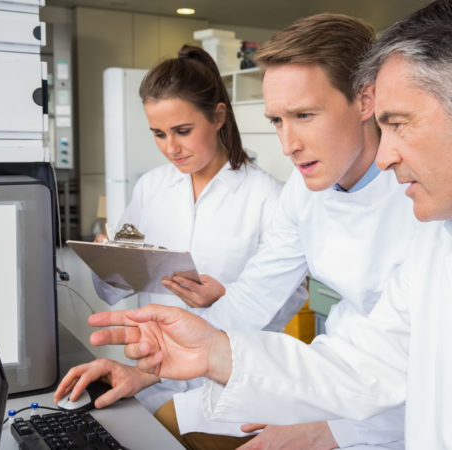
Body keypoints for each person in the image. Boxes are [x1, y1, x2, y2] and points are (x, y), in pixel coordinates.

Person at [85, 0, 452, 448]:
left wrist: (332, 431)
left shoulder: (435, 212)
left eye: (398, 123)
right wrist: (204, 352)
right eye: (277, 120)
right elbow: (368, 359)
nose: (386, 152)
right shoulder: (451, 234)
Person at [55, 14, 421, 450]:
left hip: (396, 409)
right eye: (277, 122)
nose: (288, 145)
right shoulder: (303, 196)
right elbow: (251, 299)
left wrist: (339, 432)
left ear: (366, 101)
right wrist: (151, 368)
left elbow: (411, 364)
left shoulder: (421, 200)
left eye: (304, 115)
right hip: (335, 380)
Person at [87, 45, 301, 415]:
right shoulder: (151, 188)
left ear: (218, 117)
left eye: (182, 131)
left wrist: (225, 297)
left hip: (230, 388)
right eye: (158, 134)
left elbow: (291, 296)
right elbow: (112, 290)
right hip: (152, 377)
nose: (171, 148)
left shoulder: (267, 197)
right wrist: (108, 261)